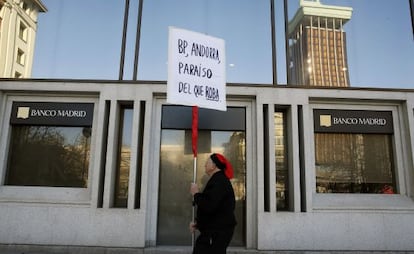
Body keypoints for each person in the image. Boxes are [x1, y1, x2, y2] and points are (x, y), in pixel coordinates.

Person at [189, 153, 237, 254]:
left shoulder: (219, 181)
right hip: (214, 230)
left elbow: (209, 205)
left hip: (216, 232)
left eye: (207, 162)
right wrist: (199, 224)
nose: (205, 165)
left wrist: (196, 194)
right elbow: (216, 210)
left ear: (214, 166)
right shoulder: (218, 180)